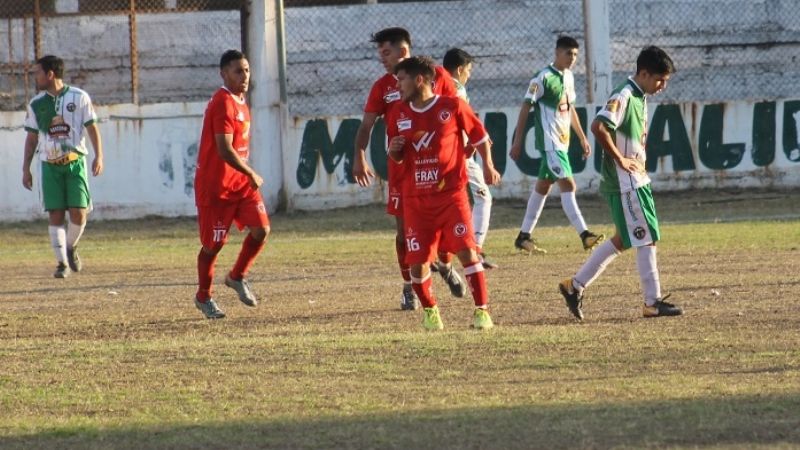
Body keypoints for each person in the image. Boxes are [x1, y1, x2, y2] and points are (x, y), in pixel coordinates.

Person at [558, 46, 683, 320]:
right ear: (644, 73)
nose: (662, 86)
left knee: (623, 239)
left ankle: (574, 286)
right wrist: (620, 160)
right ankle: (652, 302)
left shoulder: (638, 95)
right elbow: (598, 127)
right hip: (627, 182)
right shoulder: (624, 94)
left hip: (635, 178)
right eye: (660, 80)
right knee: (646, 237)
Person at [352, 27, 465, 310]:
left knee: (446, 230)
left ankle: (447, 266)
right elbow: (366, 125)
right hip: (403, 170)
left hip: (439, 170)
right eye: (379, 53)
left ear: (403, 51)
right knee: (404, 234)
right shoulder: (382, 87)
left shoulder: (438, 77)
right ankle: (409, 287)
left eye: (386, 52)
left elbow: (460, 113)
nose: (382, 58)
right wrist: (359, 156)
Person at [386, 55, 501, 330]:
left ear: (420, 80)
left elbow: (480, 136)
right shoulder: (398, 113)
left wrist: (489, 166)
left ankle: (482, 312)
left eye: (402, 80)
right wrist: (395, 152)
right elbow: (398, 156)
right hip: (416, 200)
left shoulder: (452, 106)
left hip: (451, 195)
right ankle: (431, 313)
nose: (398, 86)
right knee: (418, 264)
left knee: (467, 252)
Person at [193, 49, 270, 319]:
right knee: (214, 245)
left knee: (261, 230)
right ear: (223, 74)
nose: (245, 75)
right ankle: (203, 296)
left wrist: (245, 176)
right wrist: (251, 172)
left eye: (247, 70)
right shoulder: (223, 102)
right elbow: (224, 149)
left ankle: (237, 276)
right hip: (216, 187)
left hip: (239, 185)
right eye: (238, 71)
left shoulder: (240, 101)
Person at [509, 36, 604, 254]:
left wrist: (581, 137)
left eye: (575, 55)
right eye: (568, 53)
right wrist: (517, 141)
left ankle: (523, 237)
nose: (572, 58)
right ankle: (585, 235)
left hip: (562, 143)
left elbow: (569, 109)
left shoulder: (569, 77)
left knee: (542, 188)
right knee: (569, 186)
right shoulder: (541, 78)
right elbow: (526, 108)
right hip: (550, 144)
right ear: (557, 53)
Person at [22, 55, 103, 278]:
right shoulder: (36, 104)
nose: (35, 77)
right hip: (49, 165)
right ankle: (61, 264)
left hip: (75, 163)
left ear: (50, 74)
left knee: (79, 213)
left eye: (37, 72)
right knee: (55, 214)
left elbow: (92, 127)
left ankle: (71, 246)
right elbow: (31, 138)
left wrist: (99, 156)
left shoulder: (79, 97)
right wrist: (25, 168)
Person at [441, 47, 498, 270]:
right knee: (483, 197)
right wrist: (474, 142)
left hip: (442, 153)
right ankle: (475, 250)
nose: (469, 74)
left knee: (445, 202)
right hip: (459, 154)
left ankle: (440, 251)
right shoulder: (457, 88)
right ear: (459, 69)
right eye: (469, 69)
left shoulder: (434, 85)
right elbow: (460, 118)